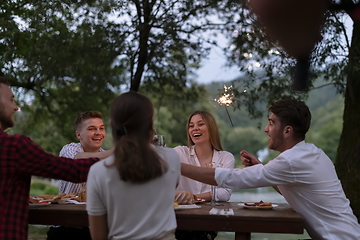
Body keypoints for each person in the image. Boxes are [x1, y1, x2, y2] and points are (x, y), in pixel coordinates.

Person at [181, 99, 360, 240]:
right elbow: (288, 188)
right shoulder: (312, 152)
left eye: (272, 123)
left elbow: (233, 178)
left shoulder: (291, 160)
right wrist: (260, 167)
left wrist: (178, 167)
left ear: (287, 131)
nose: (266, 129)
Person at [0, 76, 110, 240]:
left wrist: (16, 194)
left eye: (101, 128)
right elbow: (74, 169)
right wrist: (123, 151)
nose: (16, 107)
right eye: (11, 100)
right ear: (78, 135)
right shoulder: (15, 146)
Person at [86, 91, 180, 240]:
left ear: (112, 125)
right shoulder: (171, 158)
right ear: (150, 123)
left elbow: (98, 236)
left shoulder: (98, 172)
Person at [174, 110, 235, 240]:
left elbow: (225, 193)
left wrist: (192, 198)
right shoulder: (179, 153)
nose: (195, 128)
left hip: (208, 222)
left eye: (200, 124)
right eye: (191, 126)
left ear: (211, 128)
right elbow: (158, 163)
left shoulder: (225, 157)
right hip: (179, 222)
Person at [46, 111, 106, 240]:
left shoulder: (107, 154)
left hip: (93, 226)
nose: (98, 133)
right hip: (65, 225)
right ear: (79, 135)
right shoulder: (70, 149)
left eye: (101, 128)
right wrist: (117, 152)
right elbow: (78, 160)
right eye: (91, 129)